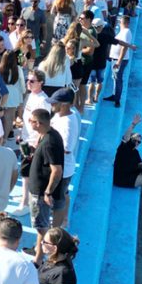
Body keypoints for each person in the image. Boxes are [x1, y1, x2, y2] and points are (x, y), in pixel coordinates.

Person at [26, 109, 64, 256]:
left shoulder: (49, 142)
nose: (29, 123)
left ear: (38, 123)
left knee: (42, 227)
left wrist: (48, 192)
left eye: (31, 121)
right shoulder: (48, 135)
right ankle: (38, 250)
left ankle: (40, 258)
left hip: (40, 193)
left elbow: (57, 170)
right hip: (39, 190)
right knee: (41, 225)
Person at [48, 88, 81, 229]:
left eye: (54, 103)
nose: (51, 105)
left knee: (59, 200)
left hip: (63, 168)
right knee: (64, 194)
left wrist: (46, 150)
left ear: (64, 104)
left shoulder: (68, 123)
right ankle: (64, 219)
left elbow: (66, 149)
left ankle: (57, 227)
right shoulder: (59, 115)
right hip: (61, 167)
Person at [106, 15, 136, 107]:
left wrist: (119, 61)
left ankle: (117, 100)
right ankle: (114, 95)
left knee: (118, 79)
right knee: (115, 78)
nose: (119, 22)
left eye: (121, 21)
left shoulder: (126, 32)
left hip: (119, 60)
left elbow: (124, 47)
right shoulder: (122, 31)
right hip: (116, 59)